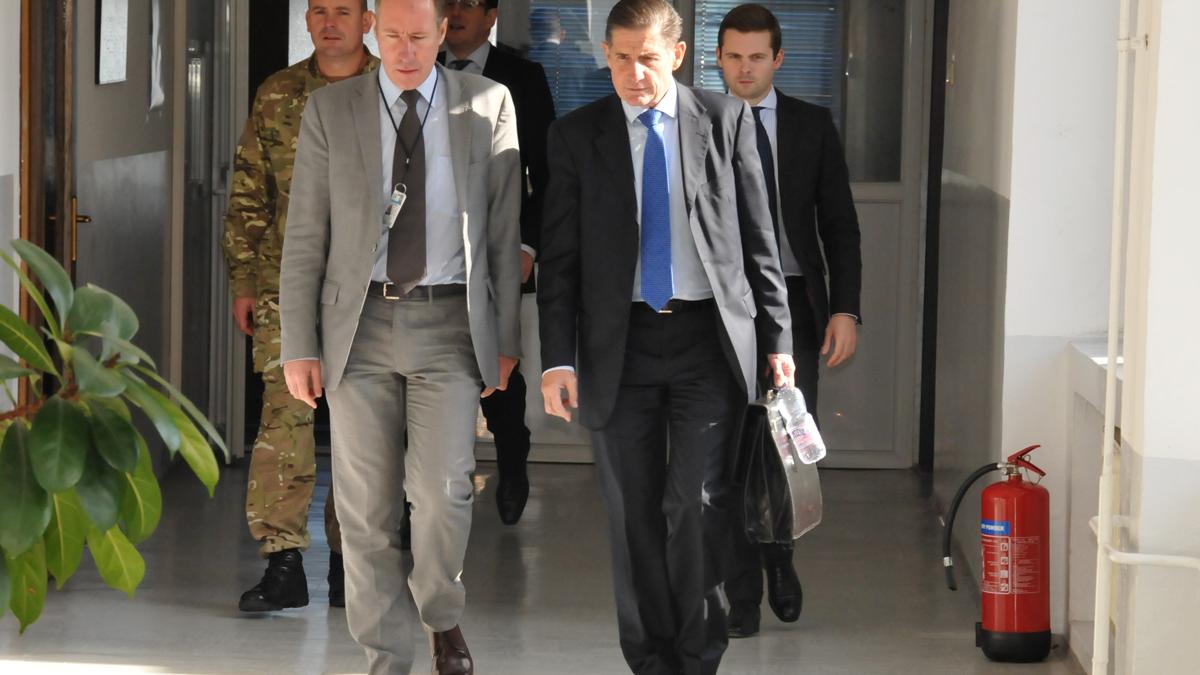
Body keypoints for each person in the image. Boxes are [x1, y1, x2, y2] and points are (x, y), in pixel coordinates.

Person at [537, 1, 794, 672]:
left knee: (699, 503)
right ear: (606, 55)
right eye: (620, 58)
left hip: (707, 342)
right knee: (634, 512)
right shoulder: (576, 136)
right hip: (618, 349)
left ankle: (698, 654)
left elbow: (761, 241)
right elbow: (559, 261)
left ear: (677, 55)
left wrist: (778, 339)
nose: (633, 73)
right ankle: (651, 659)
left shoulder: (726, 119)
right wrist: (557, 359)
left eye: (647, 58)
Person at [278, 0, 522, 671]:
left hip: (449, 322)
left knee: (443, 491)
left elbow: (503, 232)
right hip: (357, 326)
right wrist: (298, 343)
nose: (406, 51)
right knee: (364, 507)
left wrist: (506, 339)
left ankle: (440, 612)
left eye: (419, 36)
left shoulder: (488, 102)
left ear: (444, 31)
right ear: (372, 31)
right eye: (392, 36)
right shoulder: (332, 109)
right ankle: (385, 656)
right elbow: (305, 233)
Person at [221, 0, 378, 613]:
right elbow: (249, 191)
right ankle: (283, 561)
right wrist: (243, 278)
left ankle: (348, 561)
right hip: (284, 282)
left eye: (343, 10)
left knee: (363, 422)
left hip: (368, 284)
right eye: (318, 11)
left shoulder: (391, 87)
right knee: (283, 419)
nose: (329, 22)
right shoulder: (279, 92)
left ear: (367, 22)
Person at [716, 3, 862, 638]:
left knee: (783, 445)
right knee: (727, 448)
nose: (744, 70)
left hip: (796, 303)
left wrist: (844, 309)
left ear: (778, 58)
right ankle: (742, 594)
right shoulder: (699, 122)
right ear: (717, 58)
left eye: (757, 57)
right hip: (720, 308)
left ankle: (779, 555)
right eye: (733, 57)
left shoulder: (810, 125)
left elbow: (840, 225)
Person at [438, 0, 556, 525]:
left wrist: (528, 247)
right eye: (449, 2)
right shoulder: (419, 66)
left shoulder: (523, 77)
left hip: (501, 245)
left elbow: (547, 174)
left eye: (469, 3)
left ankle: (511, 458)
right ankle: (424, 493)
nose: (457, 11)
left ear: (491, 16)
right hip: (432, 249)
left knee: (499, 360)